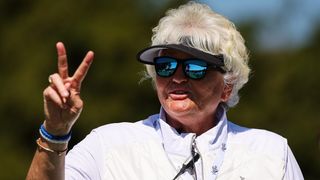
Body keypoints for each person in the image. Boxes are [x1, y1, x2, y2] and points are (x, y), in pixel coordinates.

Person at [27, 2, 304, 180]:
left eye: (196, 67)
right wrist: (56, 132)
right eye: (166, 65)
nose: (178, 77)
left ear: (227, 86)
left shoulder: (271, 152)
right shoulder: (109, 145)